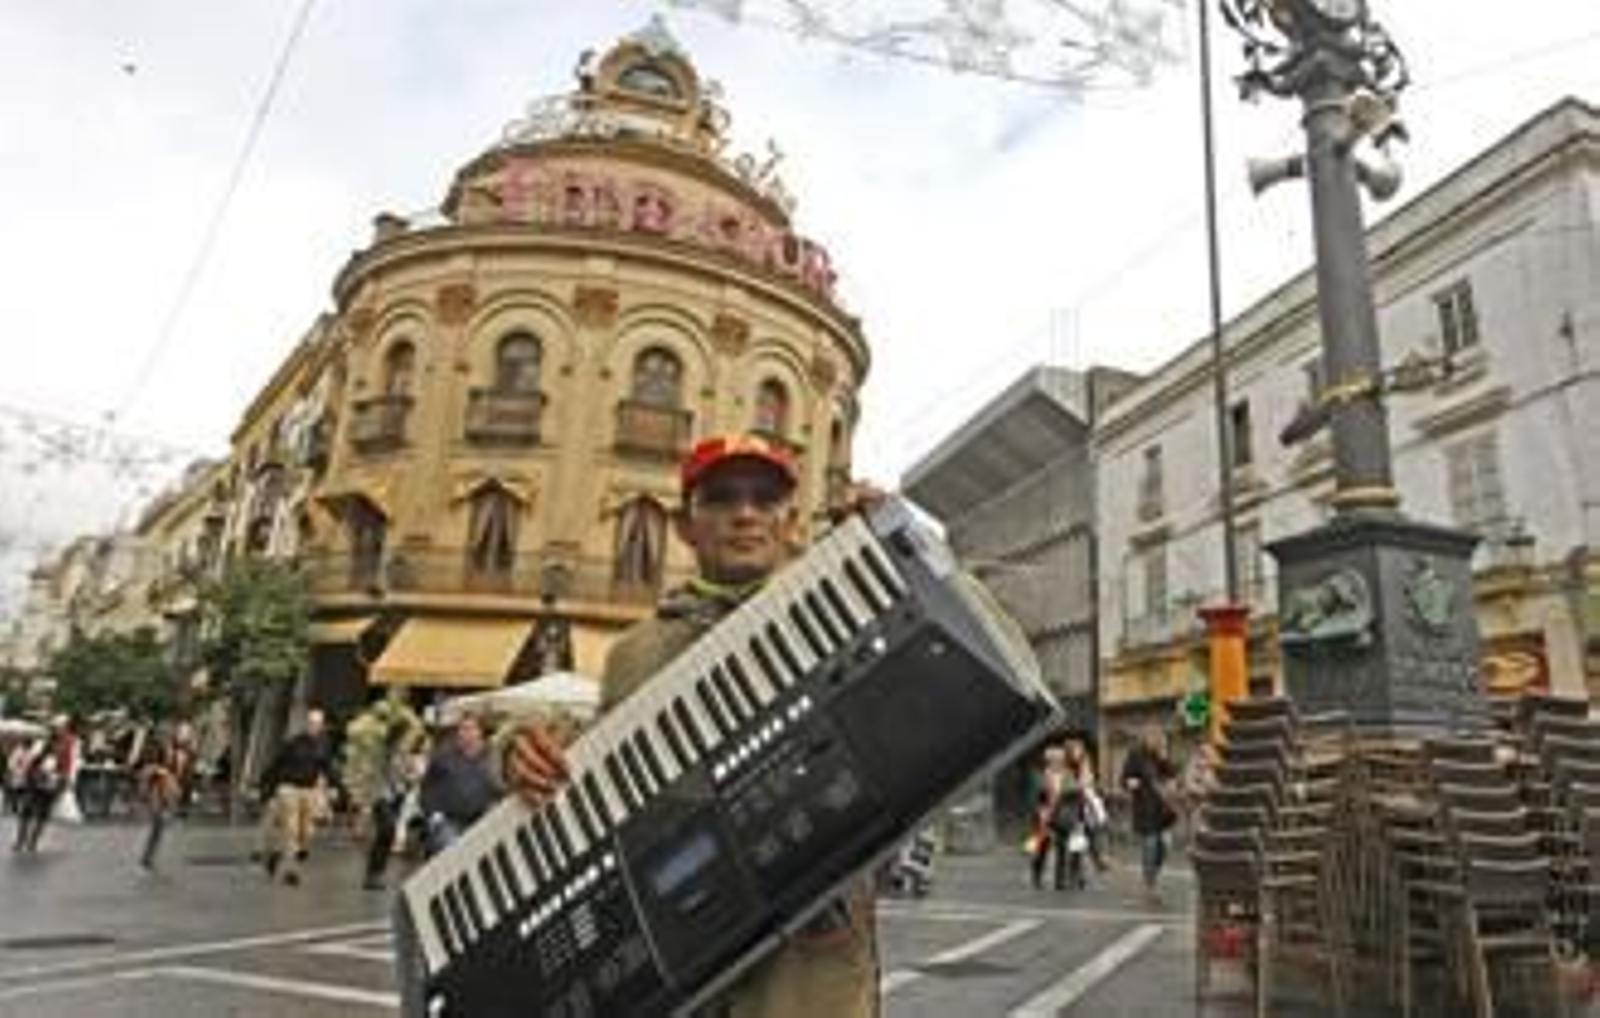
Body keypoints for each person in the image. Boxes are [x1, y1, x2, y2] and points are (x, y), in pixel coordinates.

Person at [506, 433, 880, 1018]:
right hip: (684, 962)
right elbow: (583, 769)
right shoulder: (633, 653)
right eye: (723, 498)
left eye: (765, 498)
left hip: (808, 973)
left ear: (789, 521)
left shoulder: (851, 601)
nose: (746, 514)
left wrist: (899, 541)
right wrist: (519, 756)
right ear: (686, 525)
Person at [259, 707, 338, 886]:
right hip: (289, 789)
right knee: (291, 829)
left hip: (309, 792)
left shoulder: (323, 747)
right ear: (306, 724)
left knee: (306, 833)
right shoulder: (293, 743)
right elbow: (275, 765)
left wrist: (335, 787)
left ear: (322, 726)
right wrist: (266, 790)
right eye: (311, 723)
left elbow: (328, 768)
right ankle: (291, 871)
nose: (314, 726)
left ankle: (276, 855)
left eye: (318, 724)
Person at [417, 713, 499, 859]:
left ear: (480, 732)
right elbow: (426, 787)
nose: (464, 733)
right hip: (447, 821)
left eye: (469, 728)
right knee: (452, 851)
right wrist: (434, 816)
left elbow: (498, 788)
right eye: (461, 729)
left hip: (477, 822)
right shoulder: (443, 755)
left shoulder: (491, 758)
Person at [1121, 725, 1178, 906]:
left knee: (1166, 846)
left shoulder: (1159, 756)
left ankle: (1151, 878)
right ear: (1145, 738)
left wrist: (1164, 757)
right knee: (1150, 846)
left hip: (1162, 808)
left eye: (1159, 737)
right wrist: (1131, 783)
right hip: (1145, 808)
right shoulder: (1135, 754)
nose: (1156, 740)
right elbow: (1124, 779)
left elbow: (1172, 773)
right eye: (1153, 737)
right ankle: (1150, 887)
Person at [13, 715, 77, 854]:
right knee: (27, 810)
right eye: (57, 727)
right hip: (36, 779)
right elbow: (32, 760)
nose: (60, 730)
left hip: (52, 781)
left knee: (43, 813)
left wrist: (65, 779)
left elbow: (68, 764)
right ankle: (20, 840)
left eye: (62, 727)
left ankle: (32, 842)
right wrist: (29, 772)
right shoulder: (42, 741)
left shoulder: (68, 743)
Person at [137, 721, 197, 870]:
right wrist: (160, 770)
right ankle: (147, 858)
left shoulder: (187, 753)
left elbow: (186, 777)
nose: (184, 738)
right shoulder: (160, 748)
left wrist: (187, 797)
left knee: (159, 826)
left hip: (170, 792)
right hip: (157, 788)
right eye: (182, 734)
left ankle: (148, 857)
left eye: (187, 735)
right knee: (158, 821)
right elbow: (147, 765)